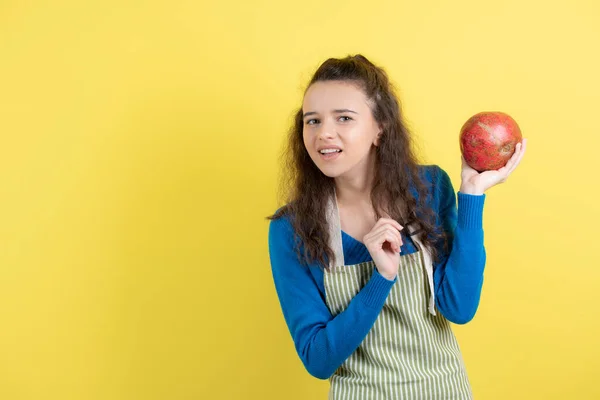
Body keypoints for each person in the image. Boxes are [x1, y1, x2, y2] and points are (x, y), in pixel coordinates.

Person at [266, 54, 526, 399]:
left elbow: (459, 308)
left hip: (444, 390)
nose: (324, 133)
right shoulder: (291, 229)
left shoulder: (429, 189)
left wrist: (472, 197)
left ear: (380, 127)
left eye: (344, 118)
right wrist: (382, 278)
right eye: (312, 121)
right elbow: (318, 358)